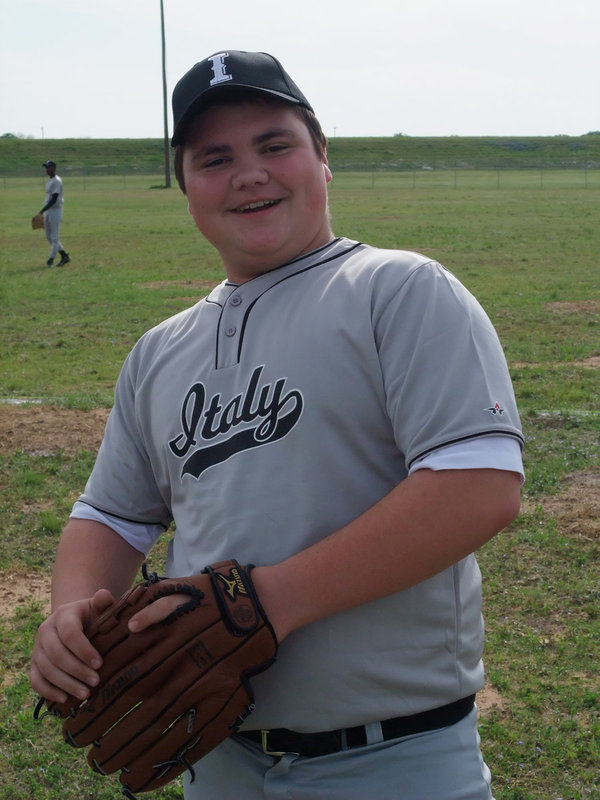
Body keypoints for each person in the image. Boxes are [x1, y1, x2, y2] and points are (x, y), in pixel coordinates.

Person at [30, 51, 524, 800]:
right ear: (187, 186)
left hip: (395, 757)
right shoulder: (161, 351)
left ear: (324, 159)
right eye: (215, 158)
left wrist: (264, 603)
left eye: (274, 145)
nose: (249, 173)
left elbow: (478, 486)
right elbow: (111, 513)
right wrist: (70, 612)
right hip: (217, 758)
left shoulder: (398, 290)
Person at [38, 160, 71, 267]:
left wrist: (42, 210)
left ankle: (50, 260)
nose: (47, 169)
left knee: (55, 237)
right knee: (48, 236)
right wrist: (44, 210)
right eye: (46, 168)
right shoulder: (50, 180)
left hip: (55, 210)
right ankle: (64, 255)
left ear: (54, 168)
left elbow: (54, 199)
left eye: (49, 167)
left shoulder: (57, 181)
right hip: (48, 211)